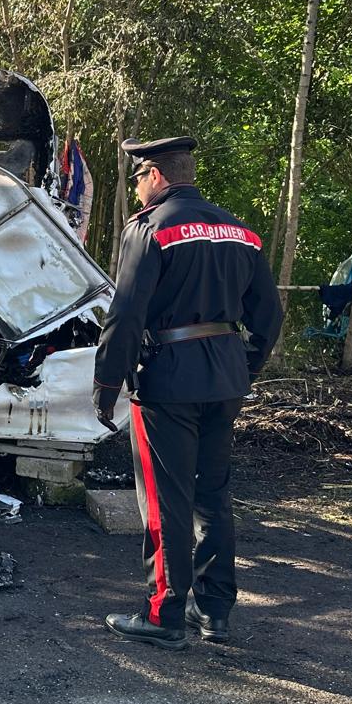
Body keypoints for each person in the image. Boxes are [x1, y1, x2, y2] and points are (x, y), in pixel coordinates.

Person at [92, 137, 282, 650]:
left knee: (166, 501)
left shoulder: (151, 228)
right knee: (212, 494)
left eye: (138, 178)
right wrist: (243, 366)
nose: (136, 188)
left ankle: (164, 614)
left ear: (155, 175)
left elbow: (126, 313)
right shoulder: (241, 231)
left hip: (168, 378)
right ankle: (215, 610)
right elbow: (268, 315)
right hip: (225, 379)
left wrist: (106, 384)